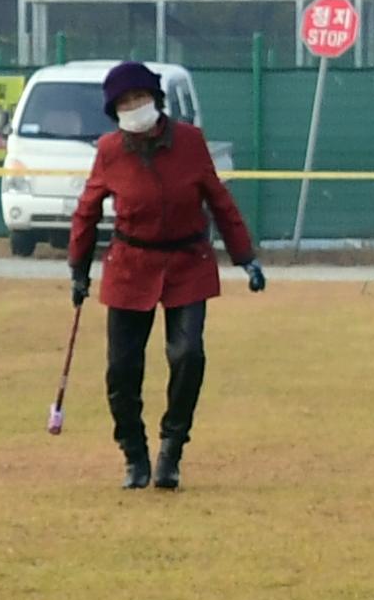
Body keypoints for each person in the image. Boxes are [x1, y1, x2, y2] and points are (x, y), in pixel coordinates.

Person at [69, 59, 261, 491]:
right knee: (122, 370)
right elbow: (87, 210)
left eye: (139, 97)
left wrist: (244, 255)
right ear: (115, 110)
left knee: (188, 355)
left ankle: (171, 449)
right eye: (124, 102)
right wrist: (77, 269)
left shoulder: (190, 142)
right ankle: (133, 455)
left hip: (187, 262)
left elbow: (219, 200)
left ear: (156, 100)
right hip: (130, 265)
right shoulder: (109, 150)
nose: (134, 106)